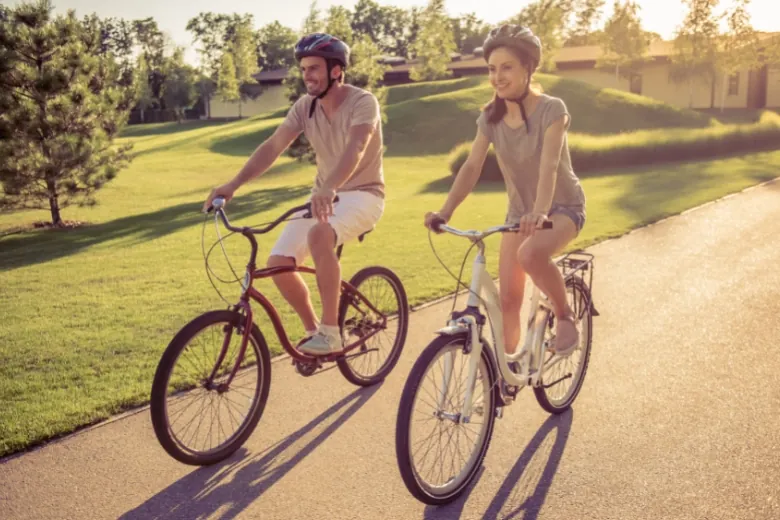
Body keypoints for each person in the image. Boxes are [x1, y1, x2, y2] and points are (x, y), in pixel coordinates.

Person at [203, 33, 386, 356]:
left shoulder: (362, 101)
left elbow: (356, 147)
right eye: (303, 69)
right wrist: (232, 185)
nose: (307, 76)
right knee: (278, 264)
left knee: (319, 234)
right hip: (323, 196)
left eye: (314, 68)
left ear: (335, 70)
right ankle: (314, 331)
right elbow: (273, 146)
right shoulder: (306, 107)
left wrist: (330, 186)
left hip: (364, 194)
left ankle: (332, 333)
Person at [424, 24, 587, 359]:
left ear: (528, 68)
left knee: (530, 255)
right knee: (508, 299)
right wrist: (445, 212)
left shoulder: (552, 109)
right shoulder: (491, 117)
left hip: (562, 208)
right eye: (492, 69)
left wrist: (540, 211)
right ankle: (507, 377)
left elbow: (550, 165)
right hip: (519, 215)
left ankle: (565, 314)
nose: (497, 77)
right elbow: (471, 167)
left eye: (506, 67)